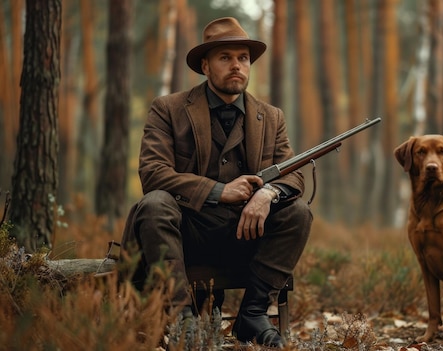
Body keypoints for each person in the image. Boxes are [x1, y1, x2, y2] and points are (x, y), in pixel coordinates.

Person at [120, 17, 313, 348]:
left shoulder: (271, 116)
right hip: (186, 231)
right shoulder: (168, 109)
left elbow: (293, 172)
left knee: (296, 212)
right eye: (225, 58)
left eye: (243, 58)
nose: (236, 66)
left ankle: (252, 315)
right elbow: (152, 171)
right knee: (153, 205)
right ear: (205, 66)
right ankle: (182, 318)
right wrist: (219, 191)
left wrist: (267, 192)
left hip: (247, 235)